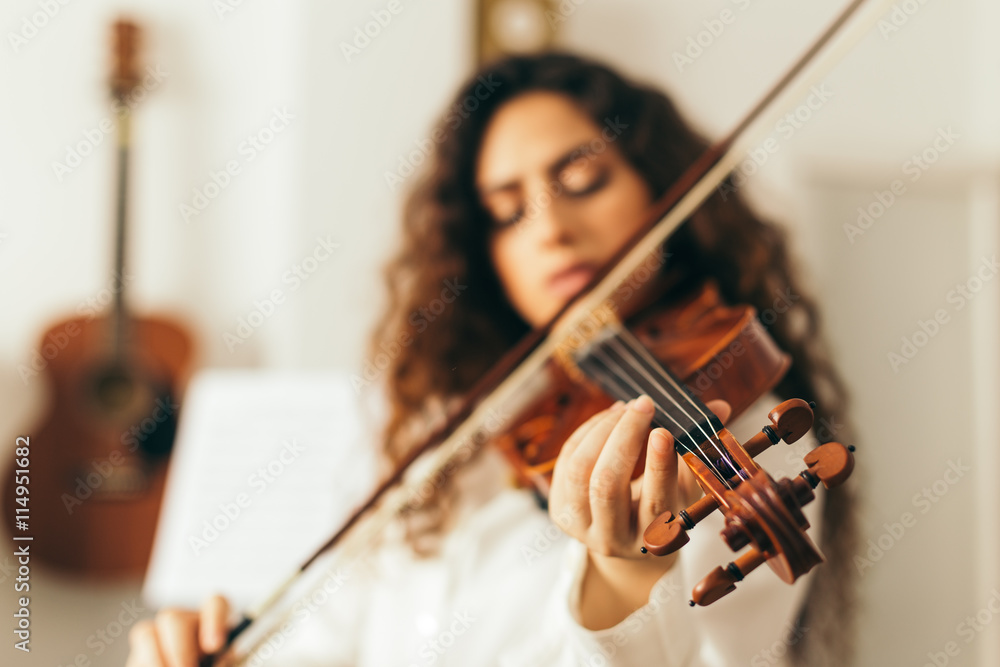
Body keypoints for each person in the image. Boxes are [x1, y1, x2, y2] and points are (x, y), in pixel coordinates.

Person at [126, 52, 858, 667]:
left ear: (664, 187)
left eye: (582, 181)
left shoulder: (754, 442)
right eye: (508, 212)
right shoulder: (441, 415)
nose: (551, 229)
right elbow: (336, 634)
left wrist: (621, 578)